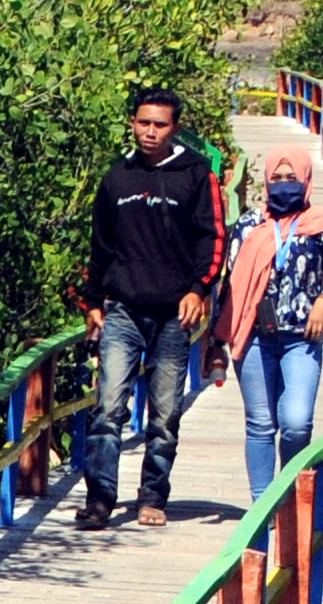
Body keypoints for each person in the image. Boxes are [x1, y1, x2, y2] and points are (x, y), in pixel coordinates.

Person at [79, 89, 222, 529]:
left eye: (159, 124)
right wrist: (91, 301)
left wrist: (199, 289)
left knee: (163, 413)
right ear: (133, 123)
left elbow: (213, 238)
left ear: (175, 128)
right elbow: (100, 244)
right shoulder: (117, 178)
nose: (150, 132)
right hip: (123, 308)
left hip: (175, 314)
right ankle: (100, 500)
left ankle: (152, 497)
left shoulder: (196, 176)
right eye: (143, 123)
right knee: (107, 408)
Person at [223, 146, 323, 492]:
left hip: (301, 337)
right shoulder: (250, 224)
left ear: (306, 180)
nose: (283, 185)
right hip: (253, 336)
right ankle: (263, 509)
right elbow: (231, 280)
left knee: (296, 423)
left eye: (291, 178)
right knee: (260, 424)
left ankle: (292, 492)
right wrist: (214, 340)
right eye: (276, 178)